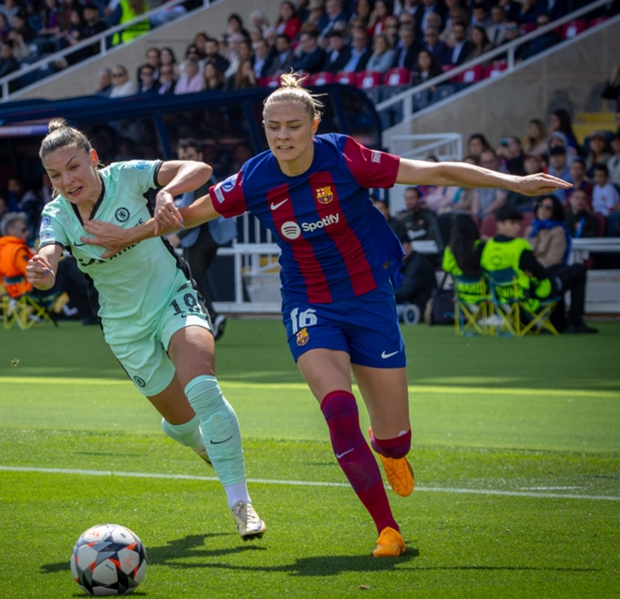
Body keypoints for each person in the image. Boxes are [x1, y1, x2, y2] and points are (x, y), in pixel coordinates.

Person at [81, 73, 571, 556]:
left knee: (394, 438)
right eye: (273, 127)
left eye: (293, 126)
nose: (283, 136)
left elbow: (434, 173)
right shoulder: (256, 176)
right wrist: (130, 235)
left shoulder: (345, 156)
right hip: (308, 303)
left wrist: (514, 182)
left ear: (313, 124)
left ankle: (392, 452)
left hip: (369, 299)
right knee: (338, 411)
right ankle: (387, 530)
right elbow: (192, 215)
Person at [26, 119, 266, 541]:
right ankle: (193, 438)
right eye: (56, 175)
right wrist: (41, 272)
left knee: (204, 391)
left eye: (74, 167)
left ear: (94, 160)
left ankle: (240, 504)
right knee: (185, 425)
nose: (67, 180)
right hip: (124, 329)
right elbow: (47, 259)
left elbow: (200, 169)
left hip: (172, 298)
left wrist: (167, 193)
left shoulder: (126, 176)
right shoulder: (56, 214)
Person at [484, 208, 597, 333]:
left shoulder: (489, 245)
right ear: (499, 224)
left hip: (504, 297)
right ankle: (575, 322)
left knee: (559, 267)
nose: (517, 227)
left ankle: (558, 322)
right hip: (533, 295)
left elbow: (486, 271)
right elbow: (540, 273)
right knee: (578, 269)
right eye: (512, 223)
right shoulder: (519, 245)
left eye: (518, 224)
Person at [167, 138, 237, 340]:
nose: (187, 161)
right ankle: (211, 318)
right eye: (183, 158)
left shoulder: (201, 178)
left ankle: (212, 318)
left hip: (202, 237)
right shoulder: (195, 177)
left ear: (199, 156)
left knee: (189, 279)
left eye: (190, 157)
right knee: (193, 278)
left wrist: (178, 236)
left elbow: (197, 215)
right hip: (204, 237)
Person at [0, 211, 95, 324]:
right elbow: (33, 272)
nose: (28, 232)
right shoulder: (17, 251)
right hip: (32, 291)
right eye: (24, 229)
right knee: (67, 264)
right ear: (11, 231)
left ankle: (88, 315)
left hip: (13, 292)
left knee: (67, 279)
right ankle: (92, 293)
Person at [392, 233, 437, 321]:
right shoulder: (407, 262)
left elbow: (405, 293)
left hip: (420, 307)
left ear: (410, 245)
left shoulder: (417, 264)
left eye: (402, 245)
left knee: (386, 312)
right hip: (410, 303)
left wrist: (384, 294)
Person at [525, 195, 569, 267]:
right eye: (540, 205)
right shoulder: (530, 229)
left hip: (546, 271)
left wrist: (530, 267)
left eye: (548, 208)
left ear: (555, 211)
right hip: (526, 269)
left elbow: (552, 260)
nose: (543, 209)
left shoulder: (559, 231)